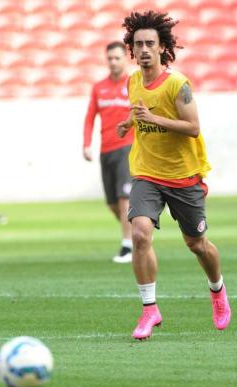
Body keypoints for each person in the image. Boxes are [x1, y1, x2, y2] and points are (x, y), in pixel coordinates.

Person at [117, 10, 231, 339]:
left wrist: (154, 117)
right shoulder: (133, 80)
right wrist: (130, 121)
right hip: (147, 173)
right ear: (132, 48)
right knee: (139, 234)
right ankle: (149, 310)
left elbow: (193, 128)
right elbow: (140, 112)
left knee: (197, 244)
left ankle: (217, 290)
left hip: (183, 176)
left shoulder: (178, 85)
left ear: (162, 46)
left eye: (150, 43)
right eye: (138, 44)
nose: (143, 50)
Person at [83, 41, 134, 263]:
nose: (113, 62)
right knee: (113, 204)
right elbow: (90, 117)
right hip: (106, 150)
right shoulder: (99, 87)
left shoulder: (134, 84)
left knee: (124, 200)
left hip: (127, 148)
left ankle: (128, 246)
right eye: (110, 58)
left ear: (125, 59)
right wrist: (86, 144)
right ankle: (138, 231)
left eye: (117, 58)